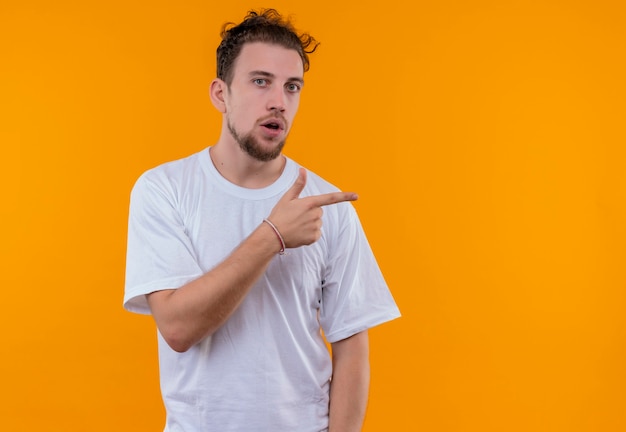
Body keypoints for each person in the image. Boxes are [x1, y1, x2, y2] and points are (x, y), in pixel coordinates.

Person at [124, 8, 400, 432]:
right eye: (260, 82)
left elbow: (352, 343)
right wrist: (273, 236)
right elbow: (177, 328)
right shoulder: (164, 190)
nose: (278, 101)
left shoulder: (326, 204)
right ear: (221, 94)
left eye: (292, 87)